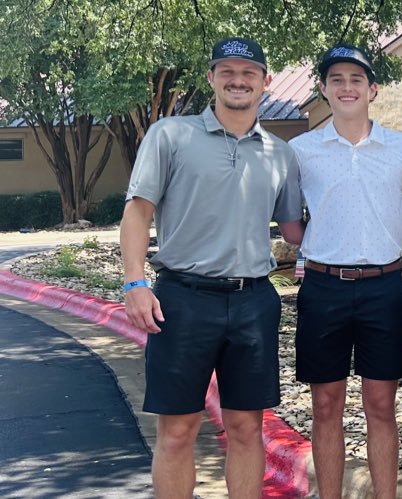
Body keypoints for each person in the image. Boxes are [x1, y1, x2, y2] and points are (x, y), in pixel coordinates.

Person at [119, 37, 305, 498]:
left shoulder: (279, 154)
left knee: (246, 429)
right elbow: (137, 211)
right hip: (182, 300)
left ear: (265, 81)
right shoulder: (171, 135)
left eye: (248, 72)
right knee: (178, 431)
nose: (238, 80)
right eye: (227, 71)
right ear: (211, 78)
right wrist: (134, 282)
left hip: (253, 302)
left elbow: (294, 230)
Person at [288, 44, 402, 499]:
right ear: (323, 89)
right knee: (326, 405)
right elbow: (290, 224)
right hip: (323, 288)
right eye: (337, 80)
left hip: (384, 287)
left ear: (373, 89)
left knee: (381, 406)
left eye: (356, 80)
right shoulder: (301, 151)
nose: (347, 87)